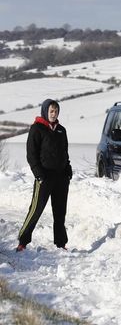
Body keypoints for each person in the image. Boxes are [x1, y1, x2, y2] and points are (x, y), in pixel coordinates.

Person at [16, 99, 72, 251]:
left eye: (56, 111)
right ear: (45, 111)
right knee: (35, 210)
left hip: (61, 178)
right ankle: (23, 241)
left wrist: (68, 169)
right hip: (44, 177)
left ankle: (61, 243)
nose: (54, 114)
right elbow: (31, 155)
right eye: (51, 111)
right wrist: (39, 174)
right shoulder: (37, 129)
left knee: (60, 212)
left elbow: (65, 153)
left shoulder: (61, 130)